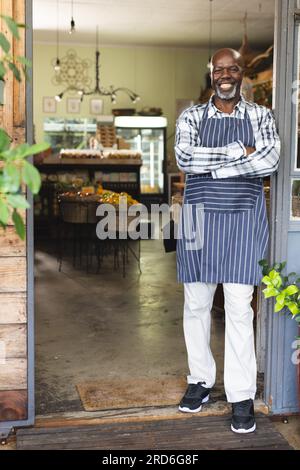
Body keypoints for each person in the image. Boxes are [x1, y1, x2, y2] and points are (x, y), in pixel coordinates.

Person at [174, 48, 280, 434]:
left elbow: (268, 161)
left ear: (241, 74)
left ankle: (240, 395)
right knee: (196, 306)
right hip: (199, 223)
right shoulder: (190, 117)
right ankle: (199, 381)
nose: (225, 75)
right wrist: (238, 152)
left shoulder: (261, 116)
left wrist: (213, 165)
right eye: (219, 69)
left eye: (232, 68)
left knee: (238, 311)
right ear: (211, 74)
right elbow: (186, 158)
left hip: (242, 223)